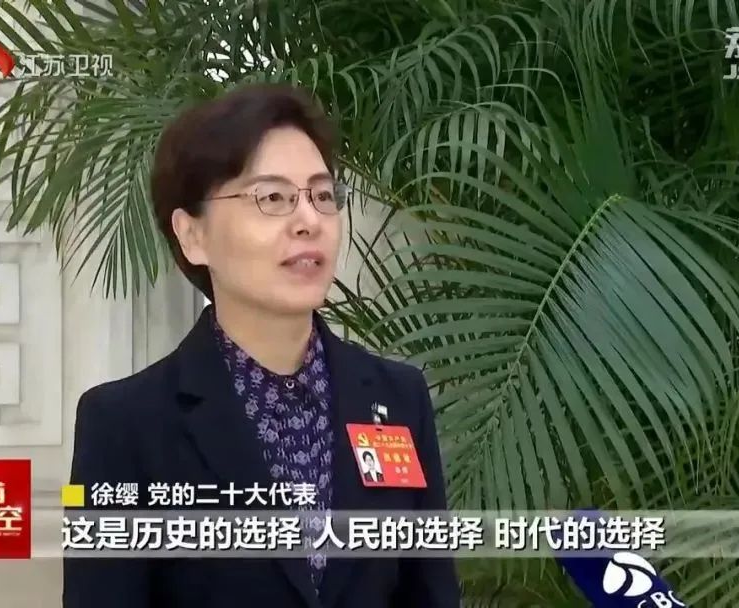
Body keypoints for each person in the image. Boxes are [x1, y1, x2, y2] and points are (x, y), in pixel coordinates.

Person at [62, 83, 459, 608]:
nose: (309, 221)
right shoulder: (123, 425)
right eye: (272, 198)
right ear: (193, 235)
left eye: (322, 196)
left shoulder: (398, 398)